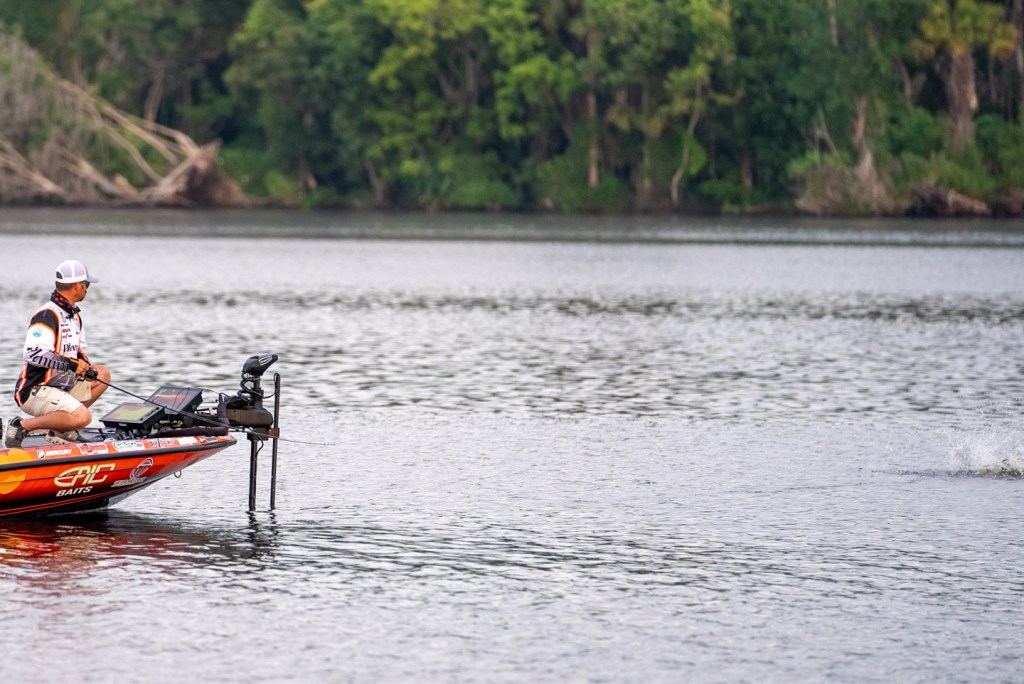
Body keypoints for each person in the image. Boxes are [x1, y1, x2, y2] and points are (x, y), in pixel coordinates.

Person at [2, 260, 111, 448]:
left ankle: (61, 430)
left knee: (102, 375)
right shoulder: (47, 315)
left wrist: (85, 367)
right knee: (83, 418)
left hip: (61, 387)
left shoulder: (74, 316)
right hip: (35, 389)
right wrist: (71, 364)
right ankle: (20, 426)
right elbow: (33, 354)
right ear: (78, 286)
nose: (88, 289)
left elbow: (78, 354)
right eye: (87, 284)